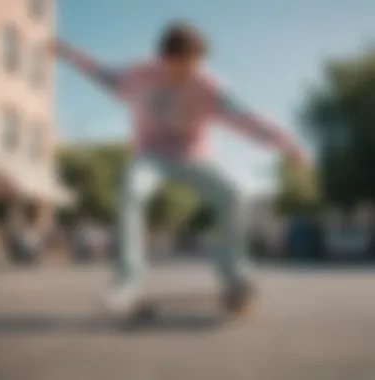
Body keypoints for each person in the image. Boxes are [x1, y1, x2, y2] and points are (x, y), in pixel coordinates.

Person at [51, 22, 305, 318]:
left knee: (232, 194)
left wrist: (287, 144)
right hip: (151, 156)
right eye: (182, 64)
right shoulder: (139, 75)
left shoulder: (208, 87)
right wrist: (69, 54)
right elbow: (101, 73)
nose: (189, 72)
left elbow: (246, 119)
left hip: (193, 157)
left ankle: (235, 276)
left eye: (195, 64)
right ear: (165, 59)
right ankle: (127, 283)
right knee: (131, 191)